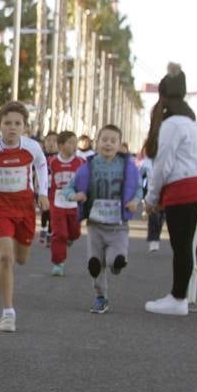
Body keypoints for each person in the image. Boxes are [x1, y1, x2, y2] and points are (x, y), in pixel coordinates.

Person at [0, 101, 50, 333]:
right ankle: (7, 313)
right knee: (6, 257)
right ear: (0, 125)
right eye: (7, 123)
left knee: (21, 259)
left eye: (18, 124)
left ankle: (17, 245)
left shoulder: (32, 147)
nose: (12, 128)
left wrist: (43, 192)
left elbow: (42, 166)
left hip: (25, 207)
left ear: (24, 127)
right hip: (0, 207)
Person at [142, 65, 197, 316]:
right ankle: (179, 295)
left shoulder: (171, 124)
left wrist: (151, 197)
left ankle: (178, 298)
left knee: (180, 246)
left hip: (182, 189)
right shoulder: (191, 122)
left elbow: (163, 164)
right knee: (184, 245)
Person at [70, 124, 140, 313]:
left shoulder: (128, 166)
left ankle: (117, 265)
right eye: (104, 140)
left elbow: (138, 188)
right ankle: (101, 297)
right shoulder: (89, 166)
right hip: (95, 225)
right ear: (97, 142)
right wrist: (75, 195)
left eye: (113, 140)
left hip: (118, 226)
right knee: (95, 264)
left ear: (119, 145)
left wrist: (135, 200)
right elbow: (71, 187)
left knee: (113, 260)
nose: (108, 144)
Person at [47, 129, 85, 276]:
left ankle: (71, 238)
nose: (75, 146)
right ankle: (58, 263)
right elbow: (43, 178)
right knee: (59, 233)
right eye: (71, 143)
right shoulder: (52, 162)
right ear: (61, 145)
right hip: (57, 202)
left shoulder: (81, 162)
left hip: (75, 203)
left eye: (76, 143)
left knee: (74, 233)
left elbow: (86, 181)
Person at [38, 131, 59, 244]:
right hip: (44, 188)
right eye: (48, 140)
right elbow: (36, 171)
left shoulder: (60, 158)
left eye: (54, 141)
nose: (51, 143)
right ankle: (43, 228)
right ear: (44, 143)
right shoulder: (40, 156)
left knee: (52, 212)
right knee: (44, 210)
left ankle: (51, 233)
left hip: (55, 190)